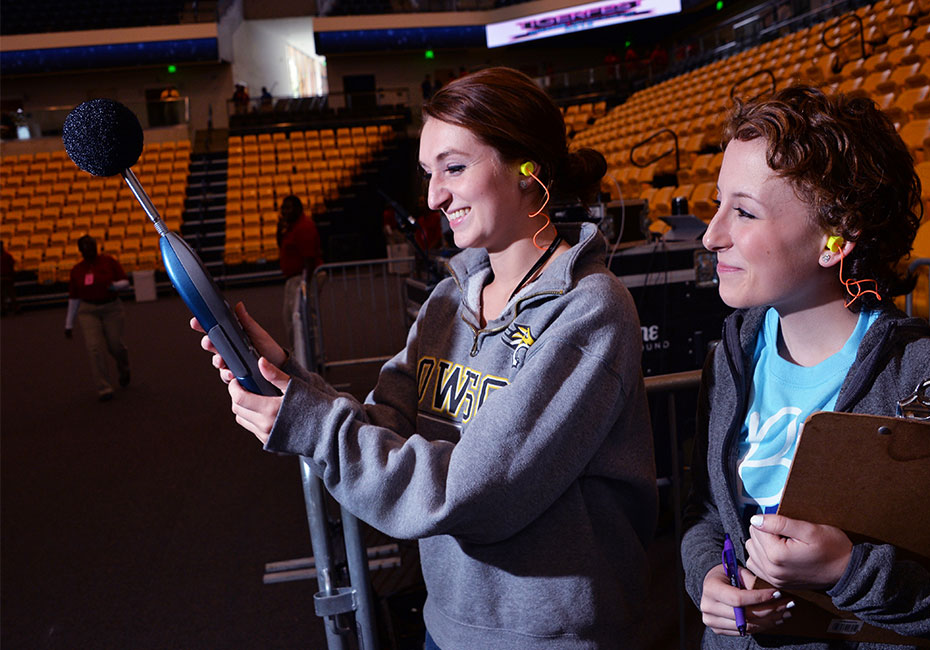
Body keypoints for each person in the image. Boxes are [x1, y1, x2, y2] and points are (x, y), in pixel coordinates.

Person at [192, 67, 658, 648]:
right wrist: (290, 379)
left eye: (454, 167)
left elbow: (475, 493)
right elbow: (385, 426)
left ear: (527, 168)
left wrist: (313, 426)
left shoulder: (590, 311)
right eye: (429, 173)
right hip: (448, 625)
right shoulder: (448, 301)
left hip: (549, 638)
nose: (434, 195)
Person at [681, 85, 930, 649]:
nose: (711, 235)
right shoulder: (730, 358)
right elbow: (705, 516)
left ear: (836, 237)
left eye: (744, 211)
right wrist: (707, 575)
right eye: (718, 203)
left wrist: (851, 572)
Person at [65, 235, 131, 401]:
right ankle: (104, 388)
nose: (89, 249)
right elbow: (74, 299)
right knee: (94, 348)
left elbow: (125, 282)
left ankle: (124, 368)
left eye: (92, 245)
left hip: (111, 308)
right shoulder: (77, 270)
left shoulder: (109, 262)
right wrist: (68, 324)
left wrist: (114, 286)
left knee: (115, 345)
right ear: (81, 250)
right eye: (86, 247)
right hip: (88, 311)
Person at [275, 194, 322, 339]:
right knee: (291, 317)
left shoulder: (304, 227)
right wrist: (279, 230)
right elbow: (282, 246)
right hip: (294, 278)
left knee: (302, 318)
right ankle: (301, 353)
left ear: (298, 209)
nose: (284, 211)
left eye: (288, 208)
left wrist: (304, 286)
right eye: (283, 208)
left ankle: (311, 356)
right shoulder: (292, 227)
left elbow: (309, 258)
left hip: (301, 278)